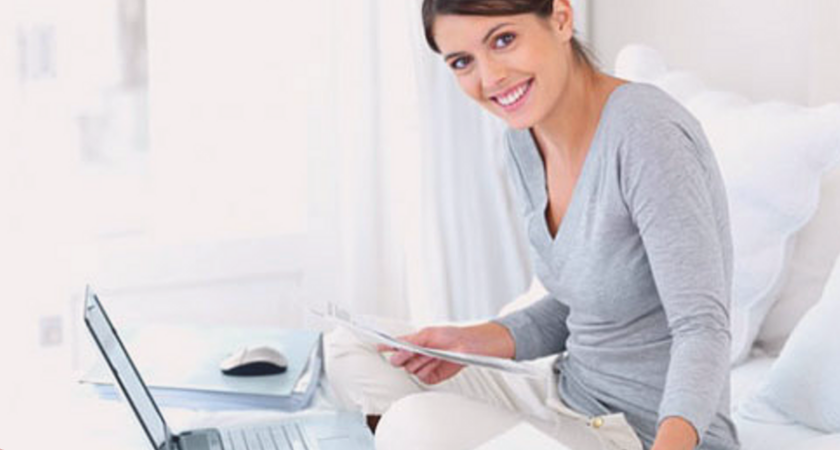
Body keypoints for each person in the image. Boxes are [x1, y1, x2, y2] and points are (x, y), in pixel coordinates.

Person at [324, 1, 740, 449]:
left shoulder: (646, 132)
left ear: (561, 18)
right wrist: (468, 341)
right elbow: (576, 304)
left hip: (644, 432)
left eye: (503, 40)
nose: (490, 78)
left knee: (416, 425)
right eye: (463, 62)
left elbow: (703, 328)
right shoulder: (523, 139)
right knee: (349, 349)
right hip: (564, 398)